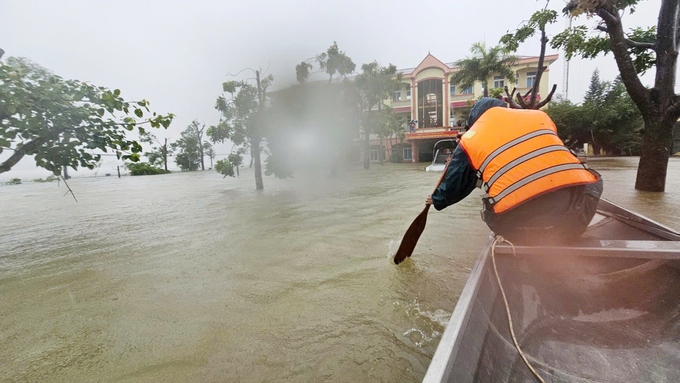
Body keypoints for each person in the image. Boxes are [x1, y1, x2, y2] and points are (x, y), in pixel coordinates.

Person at [425, 98, 603, 245]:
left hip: (522, 228)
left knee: (490, 206)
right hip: (577, 216)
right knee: (592, 178)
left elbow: (457, 183)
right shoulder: (539, 116)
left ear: (475, 120)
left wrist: (437, 199)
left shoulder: (472, 138)